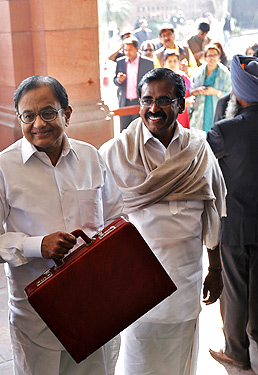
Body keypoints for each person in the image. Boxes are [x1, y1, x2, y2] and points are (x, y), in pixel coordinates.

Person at [0, 75, 124, 375]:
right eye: (28, 116)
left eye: (48, 112)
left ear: (67, 114)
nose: (38, 123)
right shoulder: (0, 169)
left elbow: (117, 217)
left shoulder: (90, 157)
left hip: (95, 308)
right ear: (19, 118)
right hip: (37, 320)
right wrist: (36, 246)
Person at [100, 68, 226, 375]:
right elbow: (100, 220)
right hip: (136, 286)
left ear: (181, 105)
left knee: (182, 361)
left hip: (185, 281)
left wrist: (216, 268)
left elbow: (211, 214)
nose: (154, 108)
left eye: (165, 100)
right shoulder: (116, 152)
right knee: (139, 361)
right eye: (147, 100)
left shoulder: (199, 150)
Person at [207, 55, 258, 371]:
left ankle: (236, 350)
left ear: (239, 90)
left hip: (234, 222)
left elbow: (209, 174)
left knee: (235, 289)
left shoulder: (224, 130)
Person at [114, 36, 153, 131]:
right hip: (125, 101)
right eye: (125, 50)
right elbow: (115, 80)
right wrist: (119, 80)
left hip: (140, 101)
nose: (127, 52)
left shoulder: (147, 63)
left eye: (130, 50)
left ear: (137, 49)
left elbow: (151, 82)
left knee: (141, 129)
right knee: (124, 130)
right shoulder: (121, 62)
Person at [189, 44, 231, 132]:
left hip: (217, 110)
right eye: (209, 56)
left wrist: (216, 92)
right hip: (199, 110)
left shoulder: (225, 74)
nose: (212, 58)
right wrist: (197, 91)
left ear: (219, 56)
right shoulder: (198, 73)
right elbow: (190, 90)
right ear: (205, 57)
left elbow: (231, 95)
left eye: (215, 55)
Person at [163, 49, 193, 128]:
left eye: (175, 61)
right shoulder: (161, 78)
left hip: (181, 112)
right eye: (169, 61)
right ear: (164, 62)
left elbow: (188, 94)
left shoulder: (183, 77)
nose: (172, 64)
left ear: (179, 63)